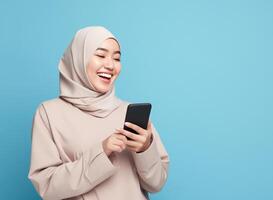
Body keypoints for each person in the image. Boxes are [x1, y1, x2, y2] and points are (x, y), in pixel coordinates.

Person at [28, 26, 169, 200]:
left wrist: (145, 149)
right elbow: (47, 186)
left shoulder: (129, 113)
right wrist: (102, 152)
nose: (110, 65)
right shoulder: (49, 113)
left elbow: (156, 184)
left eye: (116, 58)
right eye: (101, 55)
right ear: (79, 58)